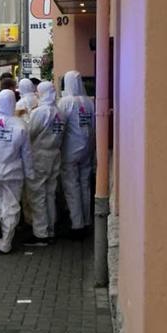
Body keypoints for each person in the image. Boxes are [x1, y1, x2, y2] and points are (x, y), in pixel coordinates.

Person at [0, 90, 33, 254]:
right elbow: (27, 153)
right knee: (11, 205)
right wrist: (29, 173)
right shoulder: (20, 125)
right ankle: (5, 243)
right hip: (12, 170)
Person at [23, 81, 66, 246]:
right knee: (50, 194)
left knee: (37, 196)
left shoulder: (40, 112)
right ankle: (51, 229)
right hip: (55, 154)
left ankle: (40, 233)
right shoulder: (59, 112)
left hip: (39, 156)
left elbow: (29, 133)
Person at [58, 70, 95, 238]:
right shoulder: (89, 102)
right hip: (87, 149)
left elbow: (59, 125)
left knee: (72, 187)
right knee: (85, 186)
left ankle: (77, 224)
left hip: (70, 151)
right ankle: (87, 221)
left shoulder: (65, 102)